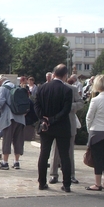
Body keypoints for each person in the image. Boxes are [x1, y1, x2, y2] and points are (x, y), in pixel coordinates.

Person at [34, 64, 73, 192]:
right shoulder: (67, 90)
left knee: (44, 154)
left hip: (46, 127)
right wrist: (54, 119)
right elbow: (66, 110)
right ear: (65, 75)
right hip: (61, 126)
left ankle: (42, 182)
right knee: (64, 156)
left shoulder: (42, 88)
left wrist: (44, 119)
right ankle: (66, 184)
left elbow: (37, 106)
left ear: (53, 74)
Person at [48, 74, 84, 185]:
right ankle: (54, 174)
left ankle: (71, 175)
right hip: (56, 123)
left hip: (69, 123)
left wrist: (69, 106)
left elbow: (81, 103)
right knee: (55, 151)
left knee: (70, 152)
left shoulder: (72, 89)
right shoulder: (52, 88)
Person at [0, 75, 26, 170]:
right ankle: (16, 162)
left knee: (7, 139)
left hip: (9, 117)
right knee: (18, 140)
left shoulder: (3, 88)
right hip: (20, 118)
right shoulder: (17, 87)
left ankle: (5, 162)